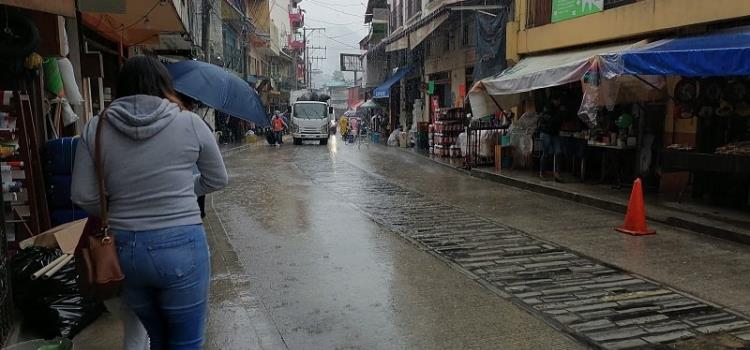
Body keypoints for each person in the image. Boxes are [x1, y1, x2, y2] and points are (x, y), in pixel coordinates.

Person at [71, 55, 228, 349]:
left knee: (157, 338)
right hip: (182, 247)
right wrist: (182, 190)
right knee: (186, 342)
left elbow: (82, 194)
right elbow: (217, 179)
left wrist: (118, 206)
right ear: (165, 86)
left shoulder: (96, 127)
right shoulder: (191, 123)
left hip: (125, 251)